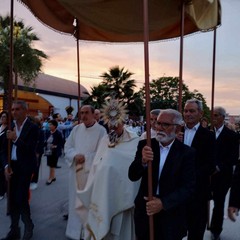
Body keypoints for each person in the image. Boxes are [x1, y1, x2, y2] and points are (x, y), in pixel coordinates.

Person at [77, 98, 140, 240]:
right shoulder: (104, 140)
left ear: (123, 121)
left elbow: (133, 170)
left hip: (121, 197)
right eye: (110, 124)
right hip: (102, 192)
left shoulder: (135, 141)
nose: (113, 127)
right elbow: (96, 165)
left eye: (116, 123)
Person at [128, 109, 196, 240]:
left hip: (171, 215)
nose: (159, 127)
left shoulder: (186, 153)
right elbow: (132, 175)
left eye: (165, 124)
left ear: (177, 129)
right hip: (145, 212)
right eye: (158, 123)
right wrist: (142, 161)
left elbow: (188, 187)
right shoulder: (146, 145)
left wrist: (163, 203)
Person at [64, 105, 107, 240]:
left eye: (86, 113)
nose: (83, 116)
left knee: (88, 203)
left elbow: (103, 152)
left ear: (94, 114)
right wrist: (75, 155)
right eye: (81, 113)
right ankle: (74, 231)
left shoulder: (101, 131)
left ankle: (88, 233)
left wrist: (86, 159)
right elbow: (68, 147)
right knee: (74, 202)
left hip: (91, 174)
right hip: (76, 172)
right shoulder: (76, 129)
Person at [1, 100, 39, 240]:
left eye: (17, 109)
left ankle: (28, 226)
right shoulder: (9, 127)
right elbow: (3, 150)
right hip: (12, 168)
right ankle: (14, 229)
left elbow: (30, 150)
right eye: (13, 109)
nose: (14, 112)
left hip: (25, 167)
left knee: (21, 198)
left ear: (25, 111)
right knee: (11, 198)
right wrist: (6, 166)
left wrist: (16, 139)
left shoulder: (32, 128)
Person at [182, 98, 216, 240]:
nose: (188, 114)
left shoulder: (208, 136)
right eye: (185, 111)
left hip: (198, 193)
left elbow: (211, 165)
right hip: (175, 192)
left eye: (192, 111)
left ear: (200, 113)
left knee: (196, 233)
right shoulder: (175, 131)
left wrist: (191, 176)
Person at [209, 106, 239, 240]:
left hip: (222, 176)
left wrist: (219, 167)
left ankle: (216, 229)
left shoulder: (231, 136)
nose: (213, 118)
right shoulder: (206, 133)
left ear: (222, 117)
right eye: (212, 115)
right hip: (207, 175)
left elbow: (233, 157)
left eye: (216, 115)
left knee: (218, 203)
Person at [45, 119, 63, 185]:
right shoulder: (47, 132)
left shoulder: (58, 133)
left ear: (55, 126)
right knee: (50, 164)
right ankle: (53, 176)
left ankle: (50, 178)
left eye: (51, 125)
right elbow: (46, 140)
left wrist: (56, 146)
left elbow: (61, 143)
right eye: (49, 124)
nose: (49, 126)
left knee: (52, 165)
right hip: (48, 150)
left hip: (55, 151)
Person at [30, 116, 45, 190]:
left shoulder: (41, 131)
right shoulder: (31, 130)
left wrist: (38, 152)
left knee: (36, 166)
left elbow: (41, 143)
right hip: (31, 150)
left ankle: (34, 181)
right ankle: (30, 179)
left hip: (37, 151)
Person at [0, 111, 9, 200]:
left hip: (3, 154)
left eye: (4, 117)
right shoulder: (0, 127)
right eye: (2, 116)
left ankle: (2, 192)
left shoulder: (8, 129)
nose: (3, 118)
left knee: (2, 174)